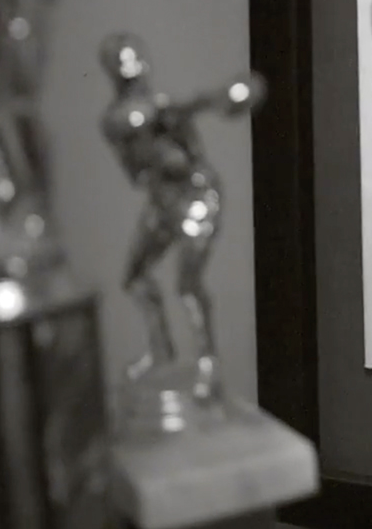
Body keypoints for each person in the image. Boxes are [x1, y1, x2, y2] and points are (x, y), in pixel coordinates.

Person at [99, 32, 264, 400]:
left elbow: (176, 138)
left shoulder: (162, 111)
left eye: (130, 59)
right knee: (135, 277)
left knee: (187, 283)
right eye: (119, 62)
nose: (128, 69)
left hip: (196, 197)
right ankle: (162, 353)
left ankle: (208, 363)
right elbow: (134, 154)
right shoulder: (125, 118)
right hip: (163, 203)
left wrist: (195, 108)